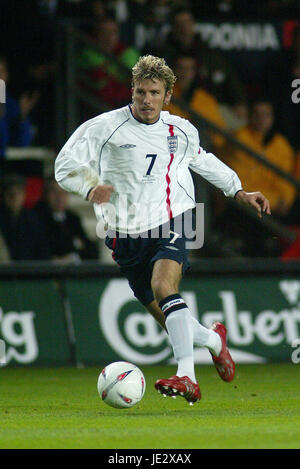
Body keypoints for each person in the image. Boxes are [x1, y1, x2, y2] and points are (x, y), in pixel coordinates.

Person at [55, 55, 270, 404]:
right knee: (167, 316)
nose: (146, 100)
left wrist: (238, 189)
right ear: (132, 91)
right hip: (125, 233)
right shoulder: (104, 127)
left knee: (163, 285)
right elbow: (64, 163)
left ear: (167, 95)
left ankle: (187, 377)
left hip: (175, 217)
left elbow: (201, 159)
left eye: (154, 93)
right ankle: (215, 340)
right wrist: (90, 186)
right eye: (140, 92)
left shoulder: (181, 129)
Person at [35, 178, 98, 263]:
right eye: (54, 192)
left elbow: (89, 249)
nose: (59, 196)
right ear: (45, 194)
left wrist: (74, 257)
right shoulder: (36, 219)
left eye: (63, 192)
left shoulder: (73, 218)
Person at [0, 174, 50, 260]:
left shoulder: (33, 218)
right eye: (10, 192)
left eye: (18, 192)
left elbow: (42, 250)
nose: (14, 197)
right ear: (3, 196)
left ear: (24, 195)